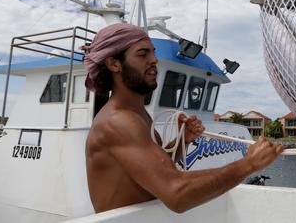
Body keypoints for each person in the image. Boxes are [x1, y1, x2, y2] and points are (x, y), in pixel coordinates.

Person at [84, 23, 285, 213]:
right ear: (113, 64)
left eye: (153, 52)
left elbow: (152, 171)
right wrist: (249, 164)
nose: (154, 60)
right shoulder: (118, 121)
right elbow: (176, 193)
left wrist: (183, 140)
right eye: (143, 53)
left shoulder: (137, 115)